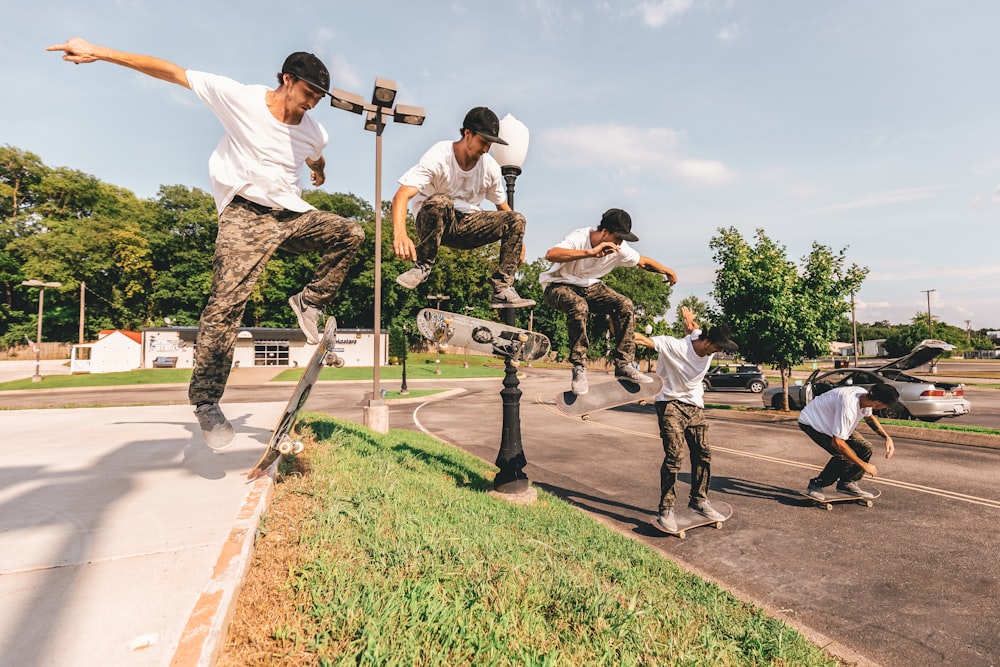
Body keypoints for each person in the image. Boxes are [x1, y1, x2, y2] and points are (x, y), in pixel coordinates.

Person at [48, 38, 364, 450]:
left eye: (320, 98)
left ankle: (309, 301)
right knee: (225, 306)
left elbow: (315, 155)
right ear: (287, 79)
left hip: (291, 215)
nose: (313, 104)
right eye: (308, 93)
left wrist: (319, 171)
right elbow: (172, 71)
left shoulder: (315, 131)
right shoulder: (239, 97)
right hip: (243, 216)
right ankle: (206, 401)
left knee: (350, 232)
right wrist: (100, 52)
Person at [391, 106, 534, 308]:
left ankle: (502, 288)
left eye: (490, 144)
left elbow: (504, 209)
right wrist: (400, 235)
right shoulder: (440, 154)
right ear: (468, 134)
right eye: (483, 142)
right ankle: (423, 266)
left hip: (467, 227)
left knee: (517, 219)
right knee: (440, 201)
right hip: (434, 224)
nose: (486, 149)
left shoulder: (490, 167)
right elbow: (401, 195)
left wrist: (519, 242)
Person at [540, 208, 677, 394]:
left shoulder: (619, 249)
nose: (619, 244)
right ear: (604, 232)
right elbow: (551, 254)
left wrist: (666, 270)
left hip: (589, 287)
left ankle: (624, 364)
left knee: (624, 304)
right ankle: (579, 367)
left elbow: (643, 262)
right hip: (556, 286)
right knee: (579, 306)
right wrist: (590, 252)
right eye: (617, 238)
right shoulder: (580, 237)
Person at [635, 306, 740, 532]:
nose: (718, 353)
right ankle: (666, 508)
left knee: (704, 454)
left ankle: (699, 500)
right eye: (718, 348)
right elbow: (645, 340)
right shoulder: (676, 346)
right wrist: (624, 331)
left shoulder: (702, 339)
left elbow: (692, 328)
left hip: (694, 406)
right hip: (670, 404)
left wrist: (688, 318)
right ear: (707, 342)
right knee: (675, 456)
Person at [797, 383, 899, 500]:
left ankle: (847, 483)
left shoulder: (864, 396)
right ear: (878, 403)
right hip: (812, 422)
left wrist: (887, 437)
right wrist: (863, 465)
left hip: (831, 420)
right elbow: (838, 443)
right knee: (843, 456)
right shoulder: (848, 408)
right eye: (885, 406)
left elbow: (869, 417)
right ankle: (816, 484)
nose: (885, 408)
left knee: (865, 448)